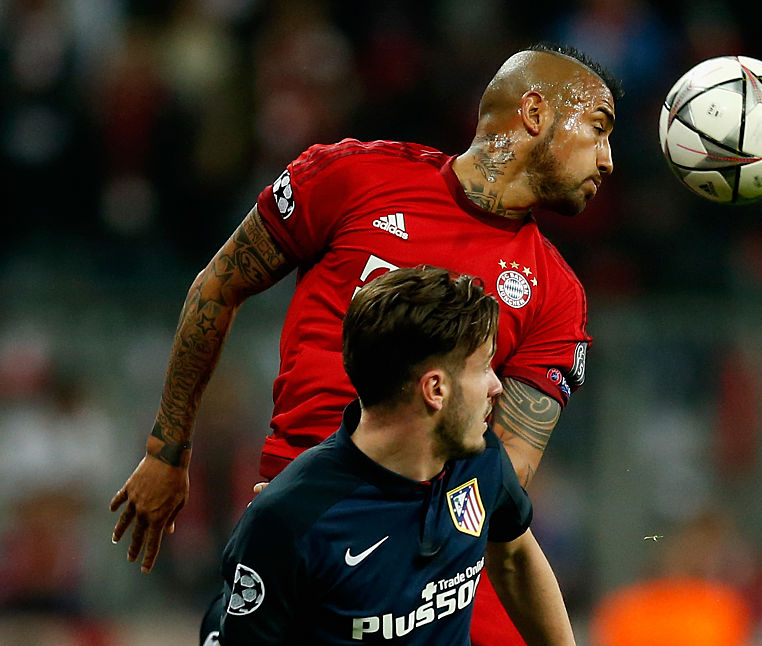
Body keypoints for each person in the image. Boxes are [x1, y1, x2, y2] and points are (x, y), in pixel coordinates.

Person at [111, 42, 620, 645]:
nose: (608, 160)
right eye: (598, 129)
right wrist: (167, 449)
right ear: (534, 114)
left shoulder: (556, 295)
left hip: (430, 560)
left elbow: (500, 483)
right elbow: (219, 286)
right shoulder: (352, 177)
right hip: (298, 532)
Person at [199, 266, 575, 645]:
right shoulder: (290, 519)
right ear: (435, 389)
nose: (496, 386)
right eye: (483, 368)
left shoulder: (480, 460)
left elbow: (515, 560)